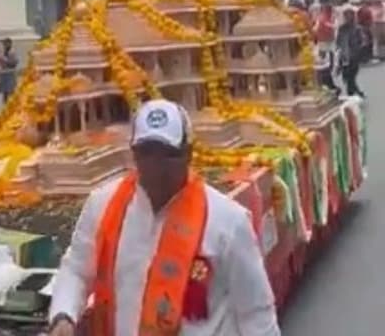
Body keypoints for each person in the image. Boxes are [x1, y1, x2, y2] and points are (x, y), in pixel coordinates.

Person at [47, 100, 280, 336]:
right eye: (146, 153)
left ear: (188, 154)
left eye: (168, 155)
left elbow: (256, 313)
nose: (156, 166)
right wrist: (63, 315)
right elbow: (76, 268)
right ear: (133, 154)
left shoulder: (228, 221)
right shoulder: (103, 205)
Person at [336, 8, 367, 97]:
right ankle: (354, 92)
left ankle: (353, 91)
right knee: (348, 75)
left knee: (352, 74)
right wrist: (340, 52)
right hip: (345, 55)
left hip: (354, 54)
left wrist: (360, 48)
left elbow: (363, 40)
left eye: (351, 15)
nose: (349, 18)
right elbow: (339, 41)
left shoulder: (357, 28)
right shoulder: (342, 28)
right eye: (347, 15)